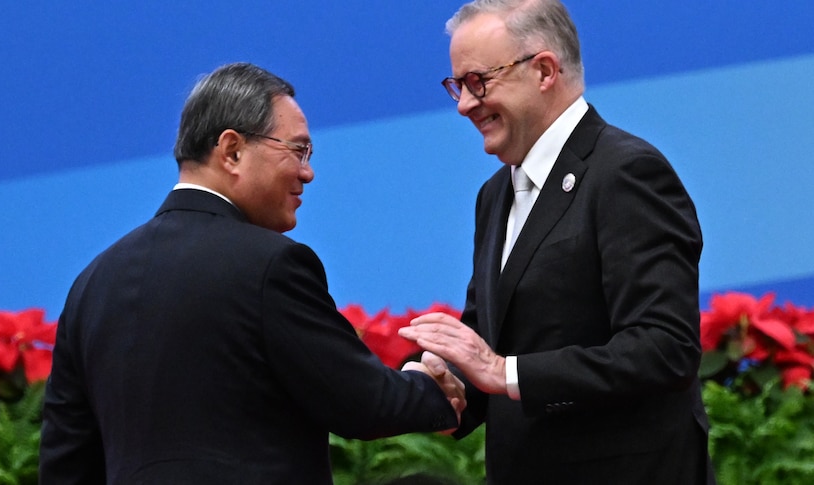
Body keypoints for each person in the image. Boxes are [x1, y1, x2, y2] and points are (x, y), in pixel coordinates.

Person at [39, 62, 465, 484]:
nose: (307, 172)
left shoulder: (92, 284)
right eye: (297, 150)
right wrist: (430, 387)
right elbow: (363, 403)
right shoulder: (270, 264)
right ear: (232, 150)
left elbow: (65, 464)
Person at [398, 1, 716, 483]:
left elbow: (663, 348)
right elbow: (489, 340)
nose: (464, 104)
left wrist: (505, 372)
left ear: (544, 70)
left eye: (478, 82)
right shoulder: (496, 194)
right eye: (457, 86)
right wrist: (448, 385)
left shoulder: (625, 173)